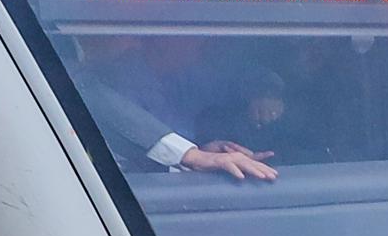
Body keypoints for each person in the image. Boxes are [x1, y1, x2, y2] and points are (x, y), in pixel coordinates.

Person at [73, 36, 278, 181]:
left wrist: (265, 93)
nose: (203, 44)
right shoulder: (112, 81)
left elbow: (235, 78)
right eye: (192, 37)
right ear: (162, 41)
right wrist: (195, 158)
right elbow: (123, 160)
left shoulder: (184, 76)